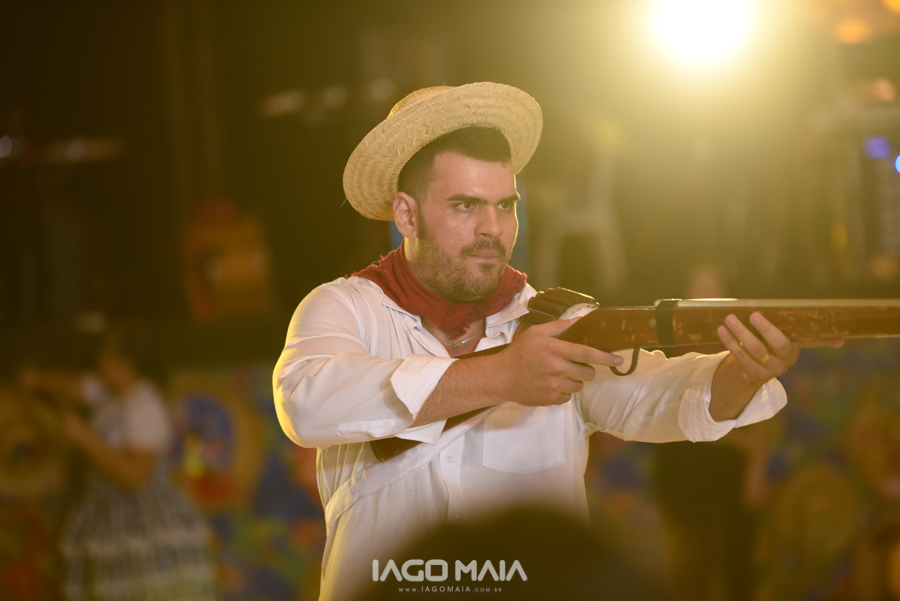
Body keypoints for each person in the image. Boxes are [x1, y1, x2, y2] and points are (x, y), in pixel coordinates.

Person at [272, 82, 841, 601]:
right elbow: (307, 403)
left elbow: (659, 399)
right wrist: (504, 375)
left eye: (505, 206)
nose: (492, 228)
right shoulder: (343, 307)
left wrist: (744, 370)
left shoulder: (558, 319)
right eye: (466, 205)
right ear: (407, 214)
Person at [23, 328, 216, 601]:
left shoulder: (144, 404)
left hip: (141, 522)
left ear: (123, 363)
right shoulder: (113, 394)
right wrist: (37, 380)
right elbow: (78, 387)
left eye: (106, 353)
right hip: (108, 512)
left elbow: (136, 476)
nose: (99, 358)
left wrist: (83, 437)